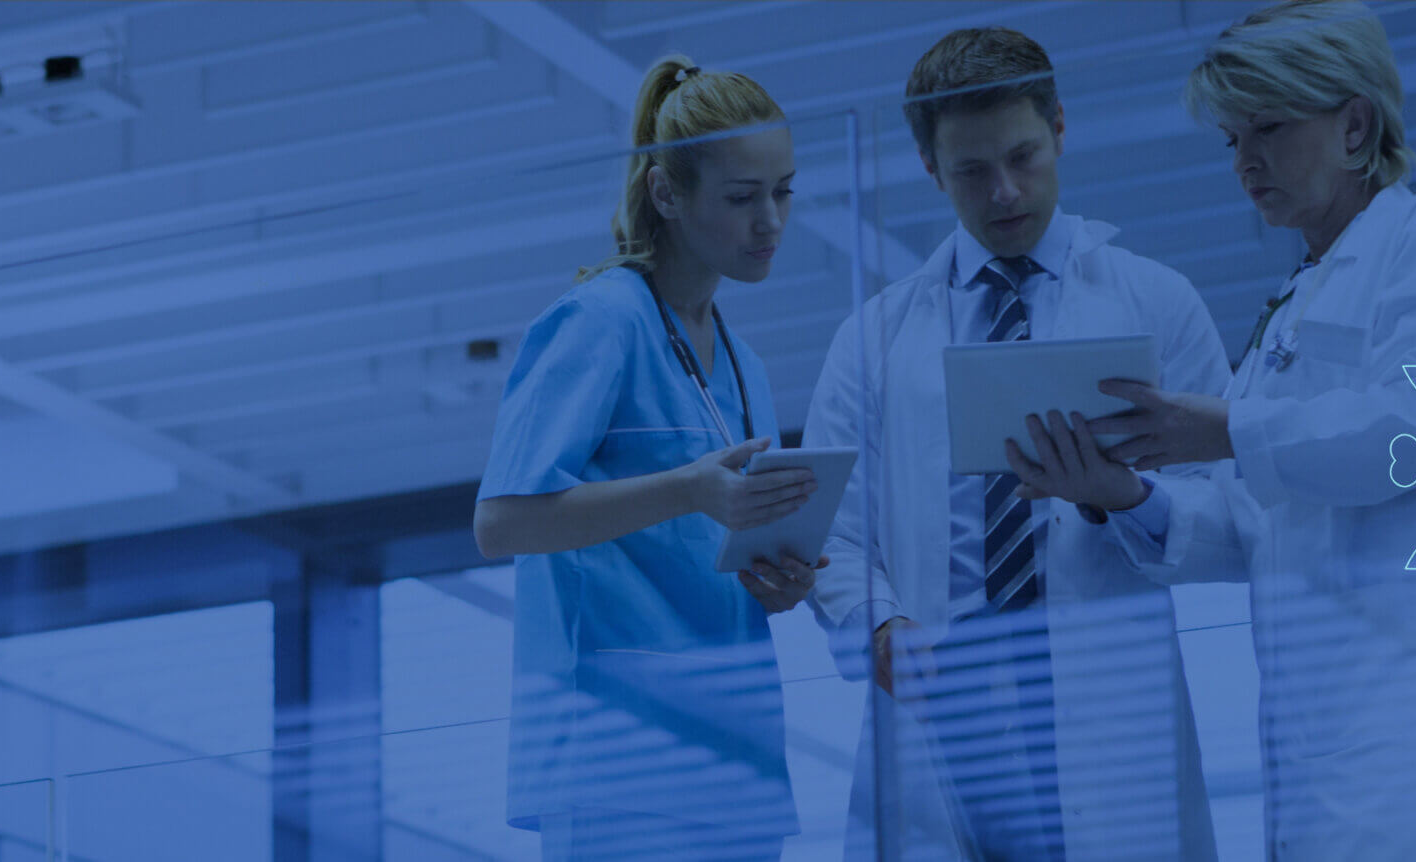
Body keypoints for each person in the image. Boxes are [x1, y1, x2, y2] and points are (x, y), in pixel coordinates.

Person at [1069, 1, 1416, 857]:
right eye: (1232, 140)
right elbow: (1261, 529)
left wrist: (1233, 431)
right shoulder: (1291, 306)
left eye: (1268, 130)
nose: (1245, 162)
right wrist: (1126, 493)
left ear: (1355, 123)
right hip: (1317, 754)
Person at [802, 28, 1224, 860]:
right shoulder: (873, 338)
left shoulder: (1156, 302)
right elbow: (833, 532)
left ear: (1061, 128)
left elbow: (1233, 503)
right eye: (971, 171)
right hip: (945, 704)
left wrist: (1129, 501)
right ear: (930, 169)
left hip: (1105, 702)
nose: (1004, 193)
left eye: (1023, 156)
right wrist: (880, 627)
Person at [474, 55, 818, 861]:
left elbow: (708, 558)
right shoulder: (601, 321)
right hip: (617, 762)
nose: (771, 220)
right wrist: (688, 492)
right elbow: (500, 524)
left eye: (783, 191)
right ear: (668, 194)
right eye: (742, 197)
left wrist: (780, 583)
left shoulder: (746, 366)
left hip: (734, 763)